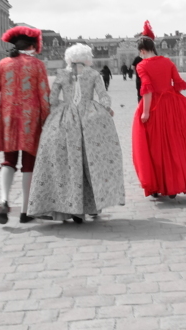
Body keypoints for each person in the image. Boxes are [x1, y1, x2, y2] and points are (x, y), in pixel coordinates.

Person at [29, 44, 125, 222]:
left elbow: (51, 99)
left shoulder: (62, 75)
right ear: (87, 58)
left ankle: (68, 205)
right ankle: (93, 206)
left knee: (66, 162)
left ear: (68, 58)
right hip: (89, 119)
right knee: (91, 162)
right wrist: (105, 109)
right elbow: (103, 96)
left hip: (65, 119)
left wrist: (58, 111)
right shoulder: (93, 74)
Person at [131, 20, 186, 197]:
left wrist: (145, 112)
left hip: (154, 107)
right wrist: (171, 96)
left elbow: (147, 89)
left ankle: (158, 184)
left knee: (155, 147)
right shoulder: (168, 62)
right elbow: (177, 83)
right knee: (174, 144)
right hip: (174, 105)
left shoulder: (142, 65)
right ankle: (174, 183)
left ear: (142, 51)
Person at [0, 26, 51, 224]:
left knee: (8, 160)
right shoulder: (38, 65)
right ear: (32, 45)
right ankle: (25, 210)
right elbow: (45, 95)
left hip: (8, 117)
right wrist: (47, 119)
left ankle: (4, 199)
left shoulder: (4, 64)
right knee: (29, 163)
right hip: (31, 118)